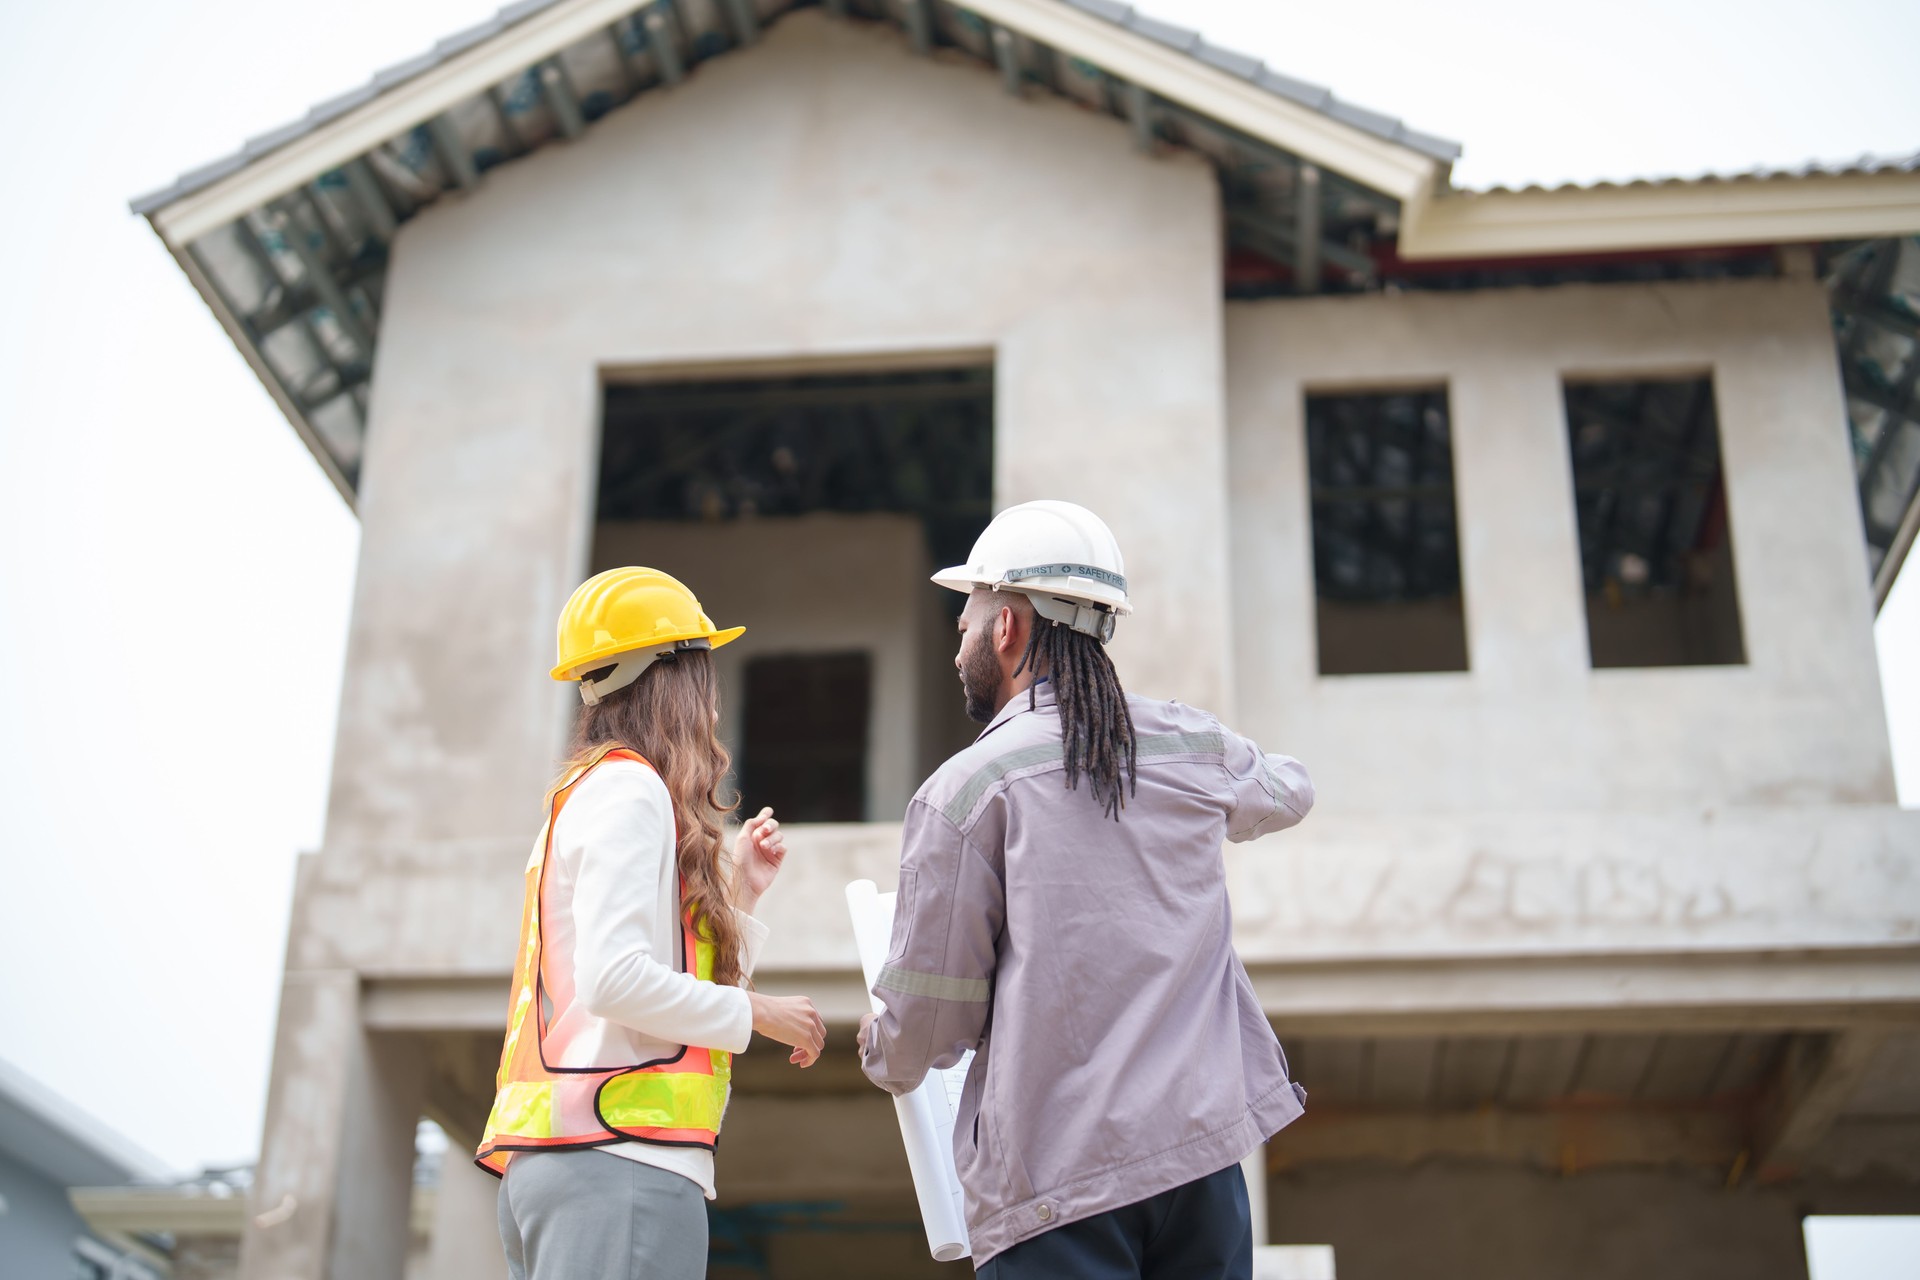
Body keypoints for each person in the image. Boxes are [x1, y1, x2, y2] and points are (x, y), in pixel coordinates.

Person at [857, 500, 1315, 1279]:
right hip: (1201, 1169)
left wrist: (882, 1052)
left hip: (1057, 1192)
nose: (958, 643)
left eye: (966, 621)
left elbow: (928, 1025)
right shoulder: (1189, 747)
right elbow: (1290, 789)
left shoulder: (967, 791)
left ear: (1007, 627)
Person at [477, 566, 826, 1280]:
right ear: (669, 675)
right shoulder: (630, 789)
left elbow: (649, 997)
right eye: (702, 666)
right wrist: (761, 1013)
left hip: (574, 1162)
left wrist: (742, 898)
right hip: (618, 1163)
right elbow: (617, 983)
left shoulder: (590, 792)